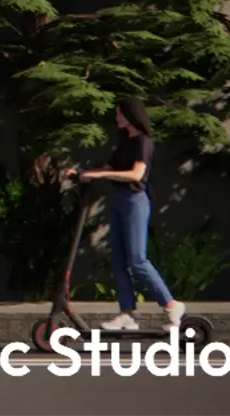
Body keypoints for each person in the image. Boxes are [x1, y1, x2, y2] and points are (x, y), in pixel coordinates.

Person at [63, 97, 184, 331]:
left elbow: (136, 175)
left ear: (131, 115)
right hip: (118, 200)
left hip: (135, 201)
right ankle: (127, 314)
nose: (116, 117)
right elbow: (109, 168)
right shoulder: (124, 142)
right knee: (119, 260)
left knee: (137, 259)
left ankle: (171, 304)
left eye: (119, 113)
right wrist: (83, 174)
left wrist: (100, 177)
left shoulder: (144, 143)